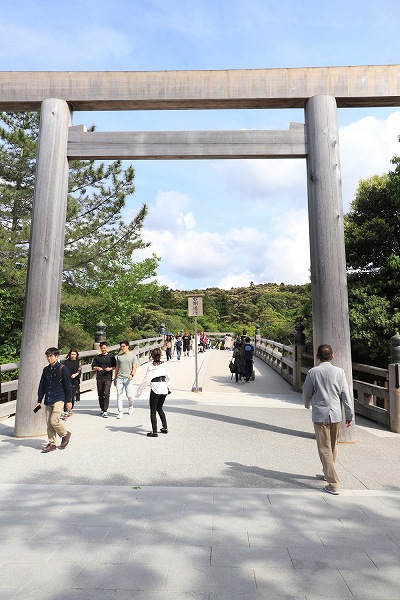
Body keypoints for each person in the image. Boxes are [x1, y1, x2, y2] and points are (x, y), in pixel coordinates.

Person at [302, 343, 353, 495]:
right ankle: (327, 472)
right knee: (332, 446)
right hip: (336, 414)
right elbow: (345, 394)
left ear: (317, 357)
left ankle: (333, 484)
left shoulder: (313, 372)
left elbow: (307, 392)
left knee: (324, 448)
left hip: (321, 415)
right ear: (332, 357)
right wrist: (349, 415)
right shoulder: (339, 372)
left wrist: (307, 404)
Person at [34, 347, 72, 453]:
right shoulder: (46, 370)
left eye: (51, 356)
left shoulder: (62, 368)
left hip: (59, 398)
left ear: (56, 356)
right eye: (48, 356)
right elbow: (42, 385)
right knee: (49, 423)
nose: (49, 358)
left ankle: (65, 434)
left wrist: (69, 401)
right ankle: (52, 444)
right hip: (48, 398)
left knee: (54, 420)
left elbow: (68, 385)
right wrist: (39, 399)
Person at [135, 347, 171, 437]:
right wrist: (168, 387)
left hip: (155, 387)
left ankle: (154, 432)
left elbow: (145, 380)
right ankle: (165, 428)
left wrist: (138, 392)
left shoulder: (151, 367)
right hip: (164, 387)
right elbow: (168, 377)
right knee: (160, 408)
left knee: (153, 410)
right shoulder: (164, 365)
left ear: (152, 356)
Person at [92, 341, 116, 418]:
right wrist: (98, 368)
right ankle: (102, 409)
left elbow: (115, 366)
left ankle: (105, 410)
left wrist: (110, 368)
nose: (103, 349)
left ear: (107, 348)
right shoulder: (97, 357)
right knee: (100, 393)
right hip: (99, 377)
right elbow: (93, 367)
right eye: (102, 348)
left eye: (104, 348)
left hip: (108, 377)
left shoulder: (111, 356)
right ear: (100, 348)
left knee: (106, 393)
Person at [114, 340, 138, 419]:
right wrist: (115, 378)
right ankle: (120, 411)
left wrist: (132, 374)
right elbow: (117, 368)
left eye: (124, 346)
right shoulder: (119, 356)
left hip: (128, 378)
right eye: (121, 346)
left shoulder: (133, 356)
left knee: (129, 395)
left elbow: (134, 367)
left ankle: (131, 406)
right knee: (119, 394)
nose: (122, 348)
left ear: (128, 346)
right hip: (120, 378)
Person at [62, 348, 81, 420]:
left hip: (75, 380)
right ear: (69, 355)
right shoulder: (65, 362)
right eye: (72, 354)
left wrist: (76, 374)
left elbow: (79, 370)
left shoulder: (78, 362)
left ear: (77, 355)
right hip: (67, 380)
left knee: (71, 395)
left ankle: (69, 409)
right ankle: (66, 411)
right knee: (66, 395)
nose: (73, 355)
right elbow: (62, 370)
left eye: (74, 354)